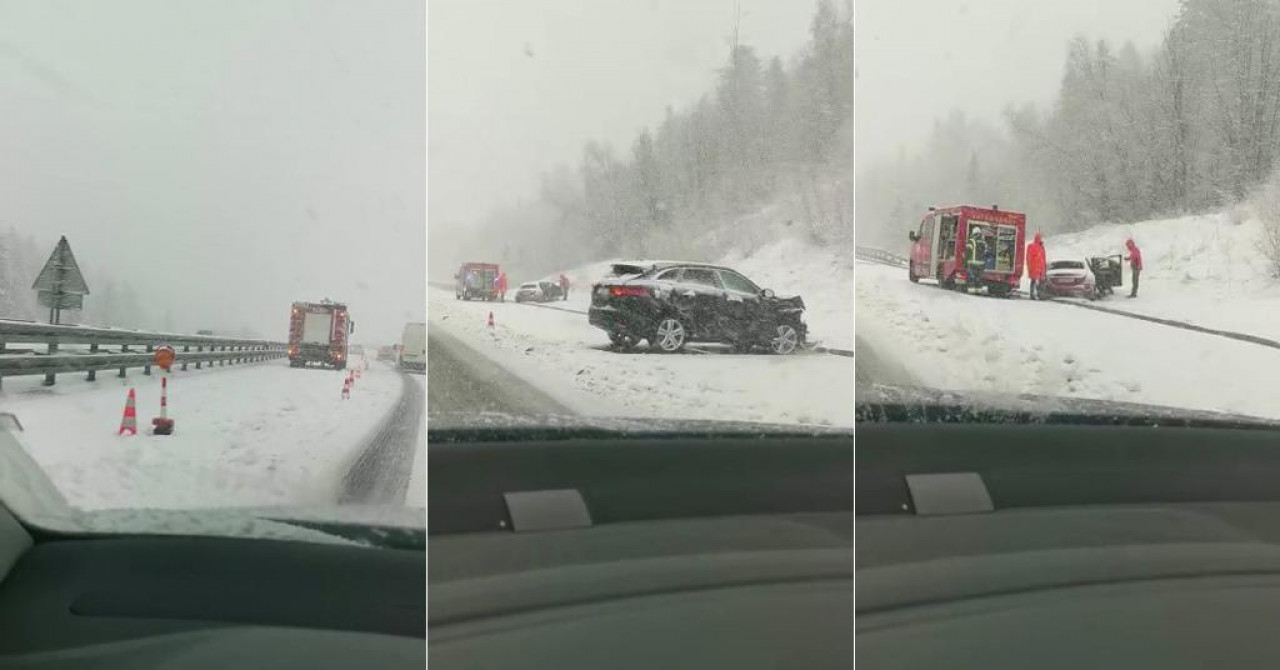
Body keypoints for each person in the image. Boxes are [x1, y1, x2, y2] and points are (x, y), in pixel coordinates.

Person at [1026, 232, 1047, 300]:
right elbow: (1029, 258)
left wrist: (1044, 268)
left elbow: (1043, 259)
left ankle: (1038, 295)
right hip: (1036, 268)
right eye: (1041, 238)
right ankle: (1035, 295)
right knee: (1035, 281)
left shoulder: (1041, 247)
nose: (1042, 239)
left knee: (1038, 282)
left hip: (1039, 268)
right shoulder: (1033, 246)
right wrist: (1030, 267)